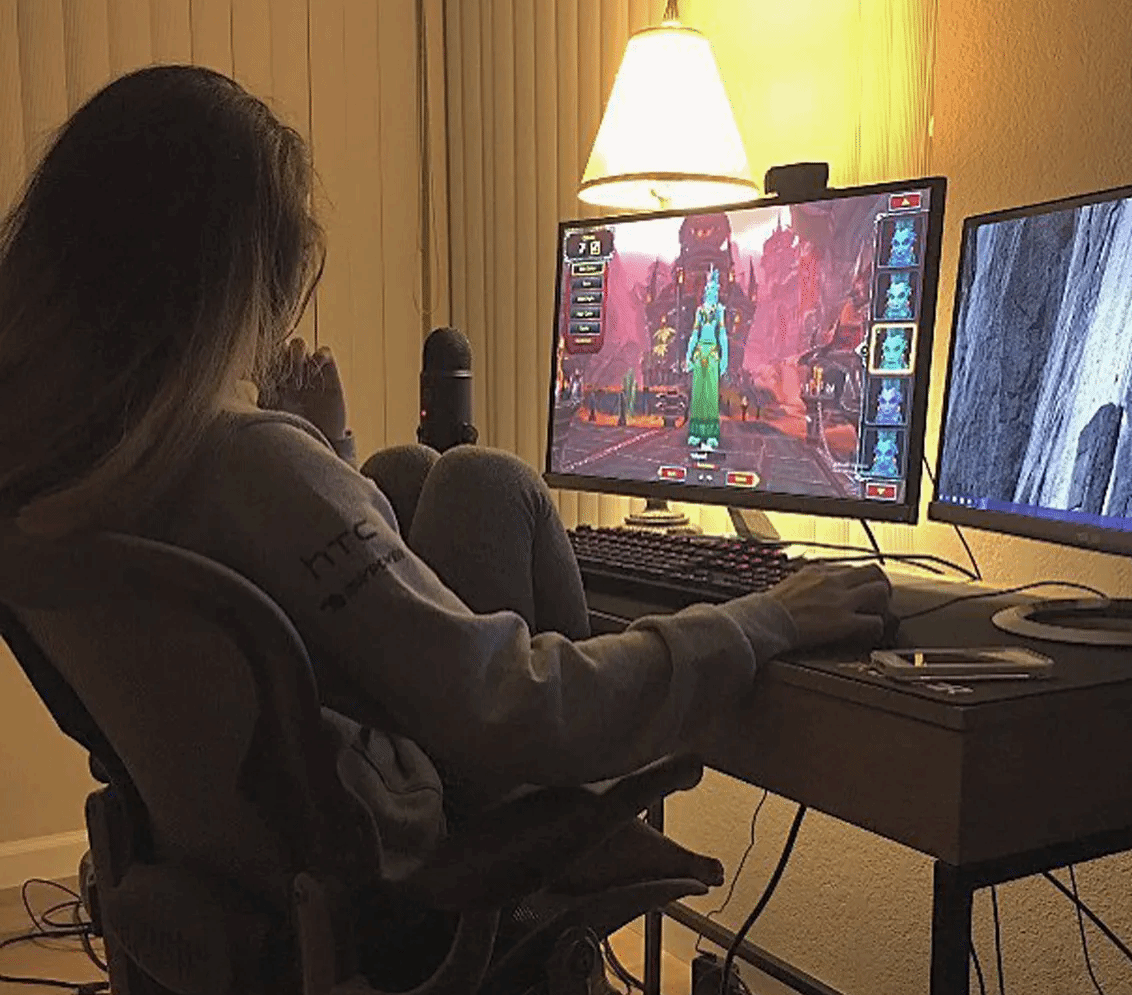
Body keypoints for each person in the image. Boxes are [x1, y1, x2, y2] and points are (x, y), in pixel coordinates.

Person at [0, 67, 890, 905]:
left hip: (247, 854)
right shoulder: (247, 462)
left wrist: (323, 453)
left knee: (403, 474)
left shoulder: (60, 475)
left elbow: (292, 614)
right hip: (399, 873)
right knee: (483, 478)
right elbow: (512, 703)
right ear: (236, 281)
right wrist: (764, 619)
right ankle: (574, 823)